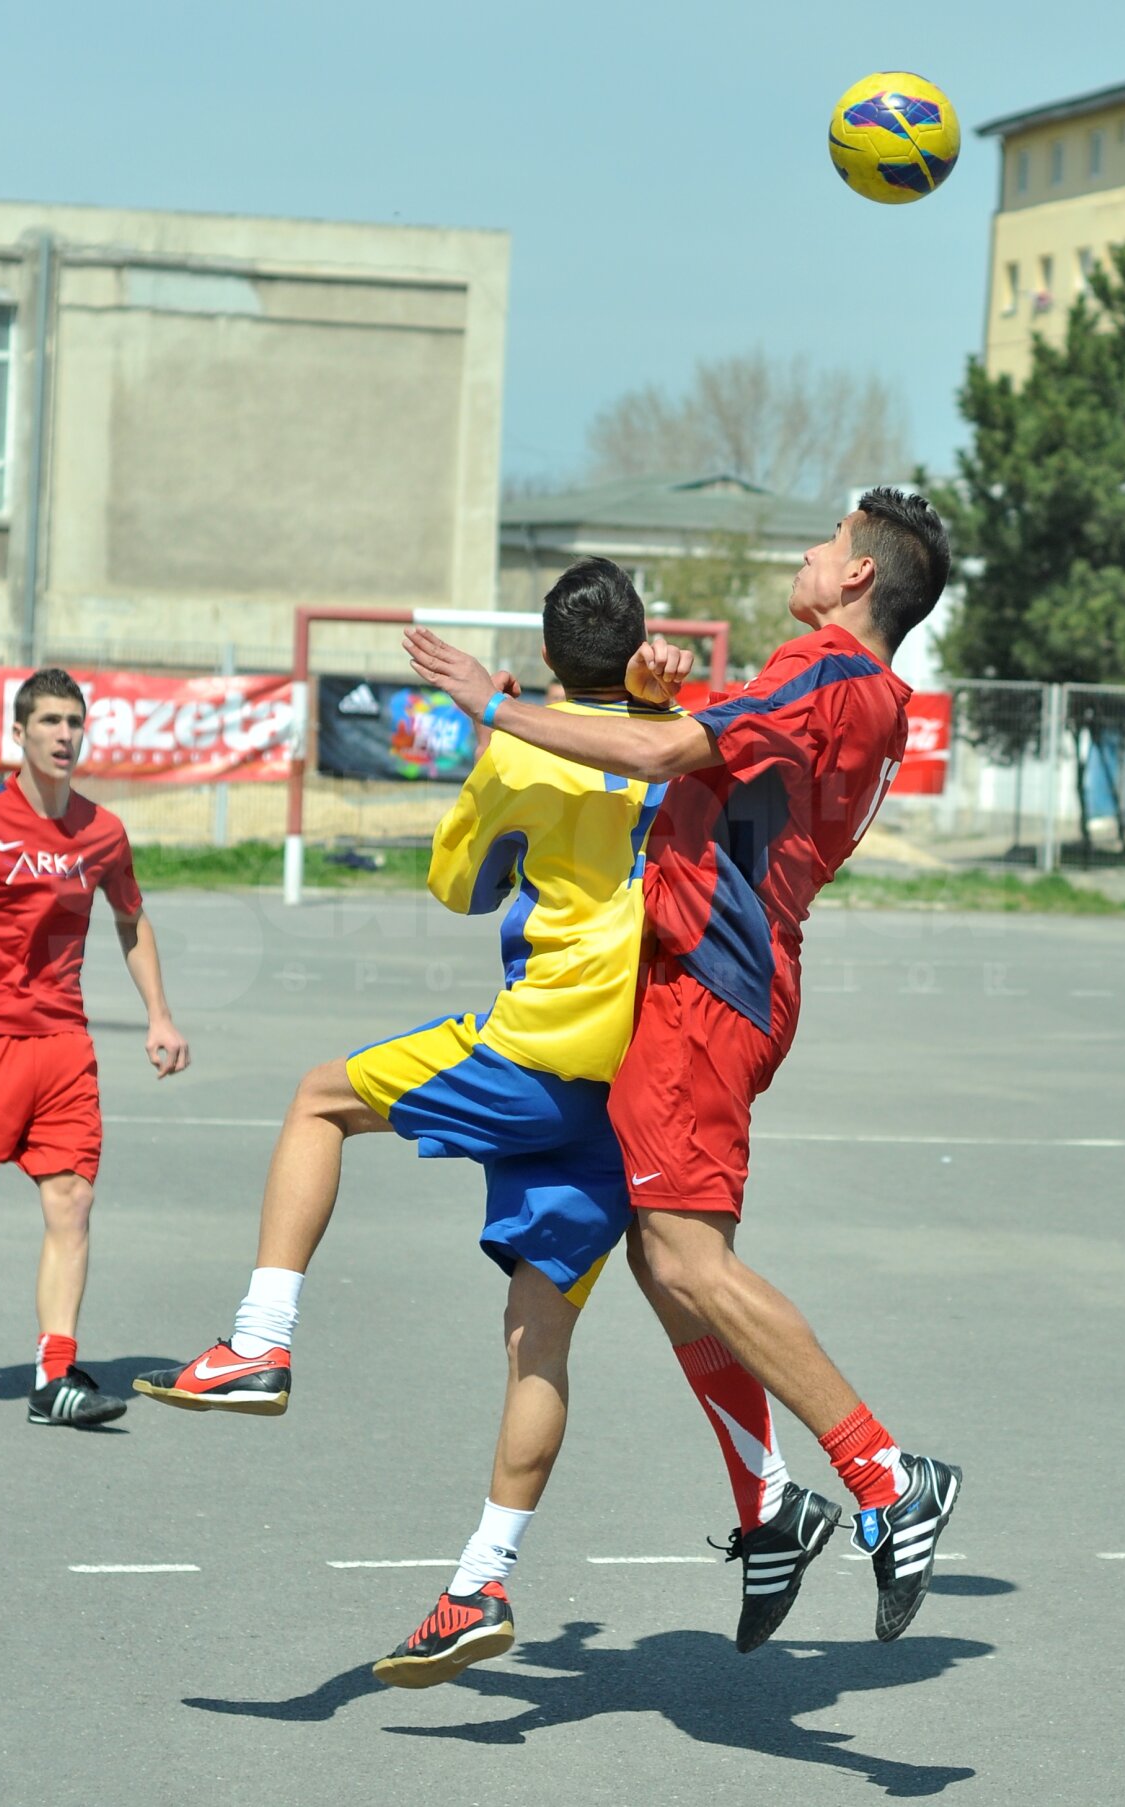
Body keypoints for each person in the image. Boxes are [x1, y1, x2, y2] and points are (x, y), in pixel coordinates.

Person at [134, 559, 837, 1681]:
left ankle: (259, 1340)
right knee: (542, 1331)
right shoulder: (691, 737)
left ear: (550, 660)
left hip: (539, 1047)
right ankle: (482, 1583)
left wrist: (494, 746)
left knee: (318, 1097)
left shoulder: (525, 743)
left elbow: (457, 887)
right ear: (644, 643)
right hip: (635, 1076)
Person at [404, 487, 963, 1645]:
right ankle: (767, 1508)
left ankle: (885, 1477)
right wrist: (675, 705)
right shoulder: (860, 694)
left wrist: (498, 705)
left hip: (710, 986)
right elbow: (717, 766)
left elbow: (666, 752)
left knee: (690, 1262)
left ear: (859, 577)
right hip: (726, 981)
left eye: (823, 547)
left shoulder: (826, 668)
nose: (808, 559)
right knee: (666, 1261)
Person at [0, 668, 190, 1427]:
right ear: (19, 733)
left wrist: (160, 1016)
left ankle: (55, 1376)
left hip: (64, 1046)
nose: (65, 735)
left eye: (75, 721)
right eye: (49, 721)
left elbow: (130, 921)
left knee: (71, 1201)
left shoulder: (103, 831)